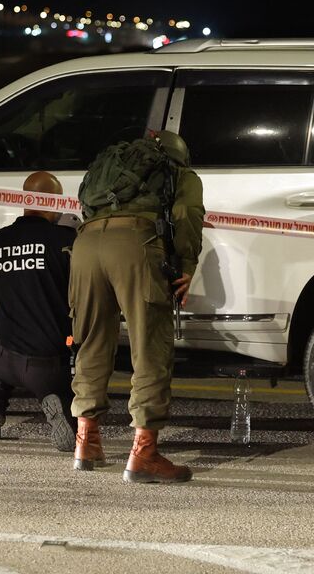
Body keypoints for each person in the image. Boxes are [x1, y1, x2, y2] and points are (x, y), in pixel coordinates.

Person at [69, 130, 204, 484]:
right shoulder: (178, 172)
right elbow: (186, 213)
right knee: (150, 347)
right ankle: (144, 454)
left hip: (86, 246)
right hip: (134, 245)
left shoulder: (113, 168)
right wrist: (187, 265)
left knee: (91, 341)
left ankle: (86, 443)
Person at [0, 171, 78, 451]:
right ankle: (52, 399)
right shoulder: (66, 241)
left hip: (4, 357)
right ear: (54, 203)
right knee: (62, 387)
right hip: (48, 362)